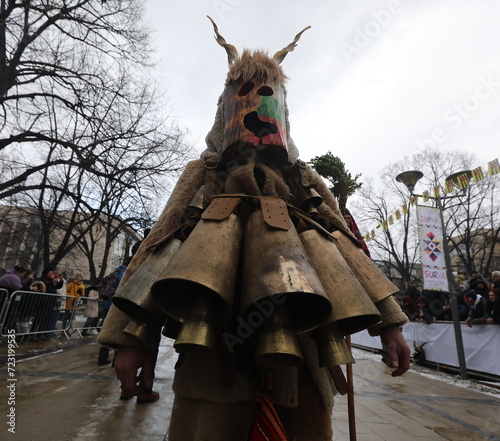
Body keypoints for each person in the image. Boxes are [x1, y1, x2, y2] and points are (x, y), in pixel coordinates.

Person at [98, 21, 410, 440]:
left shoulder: (304, 178)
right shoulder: (204, 174)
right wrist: (128, 336)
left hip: (304, 350)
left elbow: (345, 243)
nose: (258, 100)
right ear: (225, 105)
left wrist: (389, 322)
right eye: (244, 90)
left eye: (268, 92)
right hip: (214, 356)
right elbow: (159, 243)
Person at [30, 268, 64, 341]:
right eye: (50, 272)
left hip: (51, 301)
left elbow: (57, 286)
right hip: (44, 301)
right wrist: (52, 281)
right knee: (39, 317)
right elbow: (44, 285)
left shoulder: (51, 280)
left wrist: (60, 281)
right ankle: (32, 333)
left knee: (45, 318)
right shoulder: (43, 279)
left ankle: (41, 332)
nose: (52, 274)